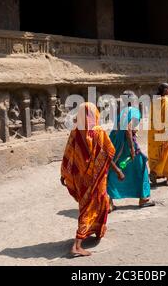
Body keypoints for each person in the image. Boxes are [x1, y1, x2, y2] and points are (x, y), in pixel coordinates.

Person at [60, 102, 125, 257]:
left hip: (80, 178)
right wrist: (117, 171)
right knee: (90, 208)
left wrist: (64, 174)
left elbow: (68, 154)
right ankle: (77, 245)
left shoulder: (76, 131)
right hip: (95, 178)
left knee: (98, 203)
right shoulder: (98, 132)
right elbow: (108, 155)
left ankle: (96, 229)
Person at [108, 91, 155, 212]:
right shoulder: (133, 111)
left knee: (113, 170)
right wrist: (132, 149)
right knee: (141, 167)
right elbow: (128, 130)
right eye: (135, 99)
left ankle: (108, 202)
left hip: (116, 144)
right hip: (126, 145)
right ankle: (144, 198)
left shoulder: (121, 112)